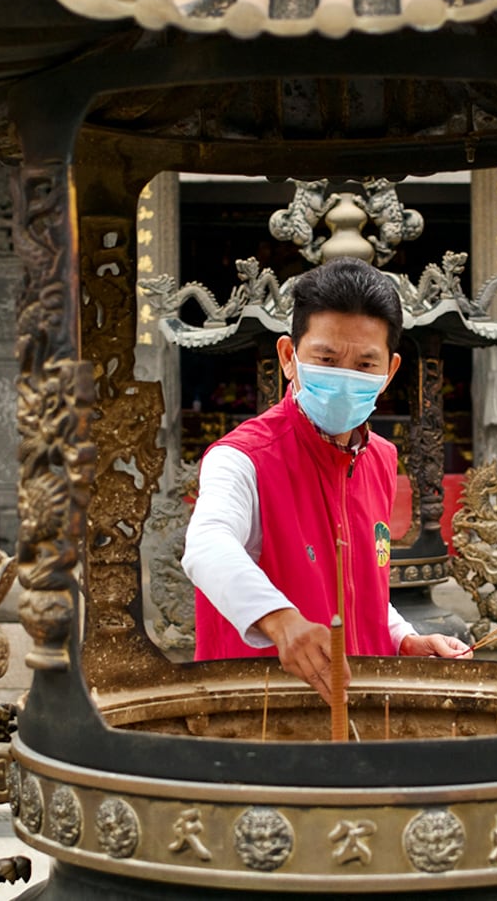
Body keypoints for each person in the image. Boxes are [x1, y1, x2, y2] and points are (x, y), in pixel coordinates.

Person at [183, 256, 471, 700]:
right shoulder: (242, 458)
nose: (344, 378)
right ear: (289, 357)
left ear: (389, 372)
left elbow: (360, 585)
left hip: (363, 703)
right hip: (264, 709)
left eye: (364, 365)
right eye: (327, 358)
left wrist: (402, 638)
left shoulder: (380, 458)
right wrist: (281, 621)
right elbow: (207, 546)